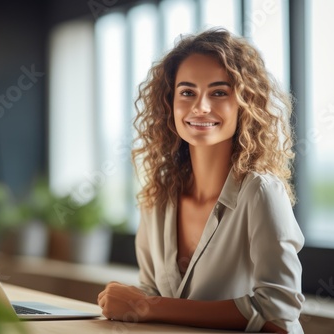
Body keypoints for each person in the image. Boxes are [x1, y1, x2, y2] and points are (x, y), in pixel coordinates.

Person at [97, 27, 305, 334]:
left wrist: (145, 306)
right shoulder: (158, 196)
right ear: (169, 103)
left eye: (219, 92)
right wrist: (136, 302)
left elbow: (278, 314)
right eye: (187, 92)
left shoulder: (261, 192)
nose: (201, 106)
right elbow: (154, 294)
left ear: (245, 103)